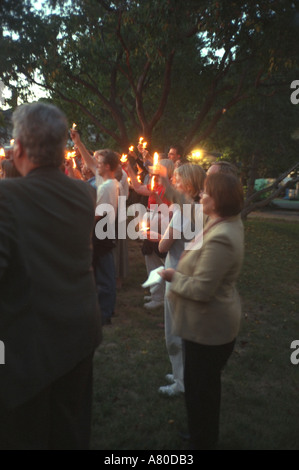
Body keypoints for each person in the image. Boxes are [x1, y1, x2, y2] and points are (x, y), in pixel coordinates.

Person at [0, 102, 101, 450]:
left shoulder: (6, 197)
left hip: (28, 352)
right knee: (70, 430)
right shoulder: (85, 194)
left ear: (20, 150)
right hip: (79, 335)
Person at [160, 172, 244, 450]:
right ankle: (201, 434)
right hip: (206, 327)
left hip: (209, 329)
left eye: (206, 192)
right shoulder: (218, 219)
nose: (200, 196)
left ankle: (202, 440)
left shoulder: (222, 236)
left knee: (201, 390)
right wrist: (166, 184)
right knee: (202, 387)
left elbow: (201, 290)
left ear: (218, 200)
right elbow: (186, 204)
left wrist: (172, 276)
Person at [149, 163, 206, 397]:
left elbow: (164, 246)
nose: (172, 183)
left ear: (189, 185)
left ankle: (181, 382)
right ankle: (181, 372)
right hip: (191, 273)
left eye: (176, 179)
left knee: (175, 331)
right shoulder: (198, 208)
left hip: (178, 274)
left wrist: (155, 237)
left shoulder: (184, 211)